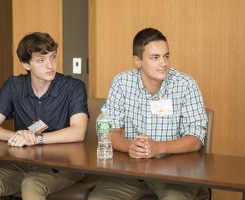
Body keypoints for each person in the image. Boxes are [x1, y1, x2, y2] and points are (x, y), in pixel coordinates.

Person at [88, 28, 209, 200]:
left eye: (166, 56)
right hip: (130, 172)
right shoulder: (122, 82)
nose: (163, 63)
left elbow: (196, 139)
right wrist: (130, 146)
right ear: (138, 61)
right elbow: (109, 131)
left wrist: (158, 147)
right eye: (155, 57)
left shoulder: (186, 85)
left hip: (175, 174)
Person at [0, 32, 89, 200]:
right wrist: (16, 136)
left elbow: (78, 132)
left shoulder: (74, 87)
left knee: (32, 184)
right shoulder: (13, 86)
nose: (50, 65)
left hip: (64, 164)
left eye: (53, 57)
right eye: (41, 60)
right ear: (25, 64)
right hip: (23, 161)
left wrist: (36, 138)